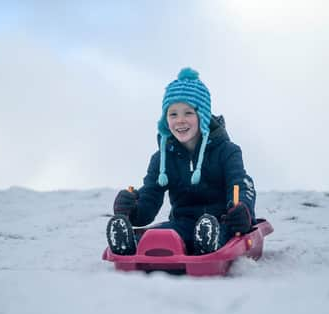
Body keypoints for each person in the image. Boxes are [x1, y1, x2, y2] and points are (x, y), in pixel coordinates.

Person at [106, 67, 256, 255]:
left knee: (216, 230)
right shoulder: (162, 158)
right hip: (183, 224)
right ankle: (129, 244)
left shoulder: (227, 151)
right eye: (173, 114)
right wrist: (131, 210)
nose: (180, 121)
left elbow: (241, 184)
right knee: (159, 235)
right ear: (165, 120)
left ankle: (210, 242)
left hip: (222, 222)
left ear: (202, 116)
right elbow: (150, 198)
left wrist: (243, 210)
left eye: (188, 113)